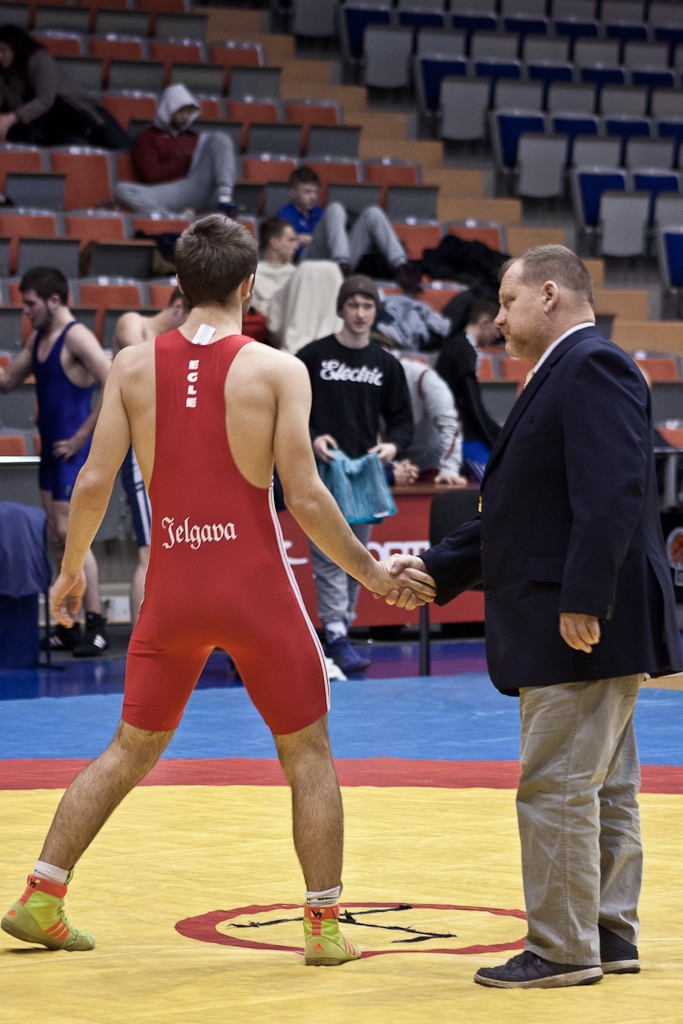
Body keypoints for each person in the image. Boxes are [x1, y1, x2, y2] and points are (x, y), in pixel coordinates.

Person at [1, 216, 434, 966]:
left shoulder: (132, 366)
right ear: (248, 286)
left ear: (177, 285)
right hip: (255, 591)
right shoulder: (277, 370)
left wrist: (71, 571)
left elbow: (95, 479)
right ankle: (324, 927)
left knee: (128, 750)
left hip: (172, 589)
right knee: (306, 753)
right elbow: (303, 497)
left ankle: (43, 895)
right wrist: (370, 575)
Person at [389, 245, 682, 989]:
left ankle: (561, 948)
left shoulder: (590, 366)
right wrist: (437, 569)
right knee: (601, 785)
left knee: (555, 783)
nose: (496, 322)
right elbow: (518, 515)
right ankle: (606, 934)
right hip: (585, 612)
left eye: (507, 303)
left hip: (575, 617)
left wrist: (584, 596)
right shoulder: (563, 373)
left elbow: (613, 489)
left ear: (549, 295)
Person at [297, 275, 414, 674]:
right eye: (353, 305)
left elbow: (403, 422)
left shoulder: (386, 363)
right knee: (329, 554)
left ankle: (339, 630)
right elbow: (288, 409)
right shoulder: (311, 356)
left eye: (367, 306)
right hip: (321, 472)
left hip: (364, 474)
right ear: (341, 309)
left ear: (376, 311)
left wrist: (393, 447)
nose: (360, 313)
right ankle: (335, 635)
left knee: (356, 557)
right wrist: (311, 438)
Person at [0, 266, 112, 656]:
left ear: (53, 300)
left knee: (73, 535)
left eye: (30, 304)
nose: (25, 312)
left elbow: (113, 382)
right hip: (52, 452)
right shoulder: (41, 337)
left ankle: (96, 625)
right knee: (57, 533)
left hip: (73, 451)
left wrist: (81, 436)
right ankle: (67, 623)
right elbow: (7, 381)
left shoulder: (75, 336)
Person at [112, 287, 189, 623]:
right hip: (140, 451)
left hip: (171, 450)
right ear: (177, 306)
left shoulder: (180, 348)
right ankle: (139, 642)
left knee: (179, 550)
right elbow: (139, 369)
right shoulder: (134, 323)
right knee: (150, 551)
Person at [278, 167, 422, 293]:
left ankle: (401, 266)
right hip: (308, 264)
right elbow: (286, 249)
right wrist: (310, 239)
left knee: (373, 212)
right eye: (307, 192)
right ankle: (341, 266)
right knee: (335, 208)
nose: (312, 197)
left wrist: (306, 237)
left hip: (337, 262)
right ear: (292, 192)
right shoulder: (284, 215)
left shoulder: (320, 212)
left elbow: (330, 238)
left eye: (315, 192)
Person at [114, 84, 239, 216]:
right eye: (181, 111)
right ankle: (170, 218)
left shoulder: (193, 136)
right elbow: (150, 176)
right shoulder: (147, 138)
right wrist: (184, 161)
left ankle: (225, 198)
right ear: (168, 108)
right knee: (122, 189)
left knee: (220, 138)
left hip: (202, 188)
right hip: (171, 191)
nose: (185, 116)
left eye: (188, 112)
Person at [0, 24, 130, 149]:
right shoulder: (5, 77)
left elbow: (45, 100)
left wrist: (12, 117)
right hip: (57, 133)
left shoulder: (39, 59)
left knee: (126, 152)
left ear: (16, 47)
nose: (0, 56)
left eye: (3, 50)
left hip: (85, 118)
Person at [436, 297, 503, 481]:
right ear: (484, 322)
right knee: (492, 483)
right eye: (497, 328)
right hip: (463, 436)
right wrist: (495, 439)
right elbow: (471, 404)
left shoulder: (461, 347)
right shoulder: (462, 350)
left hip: (464, 432)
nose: (498, 336)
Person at [395, 353, 467, 486]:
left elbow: (450, 425)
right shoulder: (364, 381)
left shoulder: (423, 376)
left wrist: (449, 470)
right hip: (392, 461)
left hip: (432, 460)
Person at [252, 217, 298, 316]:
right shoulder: (252, 276)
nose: (296, 246)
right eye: (291, 240)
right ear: (274, 243)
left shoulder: (297, 273)